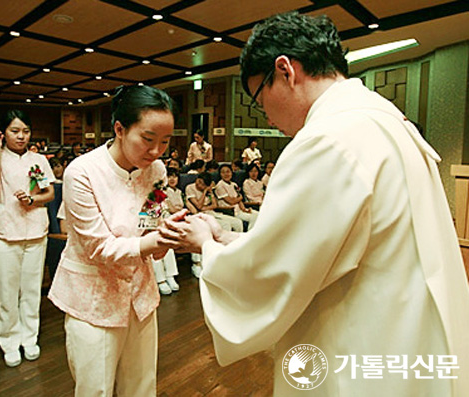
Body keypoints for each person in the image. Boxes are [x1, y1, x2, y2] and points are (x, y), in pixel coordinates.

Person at [161, 12, 469, 396]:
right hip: (404, 334)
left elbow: (276, 273)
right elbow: (321, 249)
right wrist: (225, 237)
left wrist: (205, 244)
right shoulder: (386, 120)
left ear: (285, 70)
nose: (269, 118)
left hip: (358, 343)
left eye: (259, 100)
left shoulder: (327, 140)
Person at [48, 85, 179, 396]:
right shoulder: (82, 173)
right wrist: (154, 241)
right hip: (93, 298)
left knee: (141, 385)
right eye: (148, 139)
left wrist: (167, 236)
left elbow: (150, 226)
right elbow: (99, 247)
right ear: (120, 129)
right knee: (96, 389)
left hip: (140, 297)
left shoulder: (157, 171)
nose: (156, 151)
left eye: (165, 142)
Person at [0, 109, 55, 368]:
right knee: (7, 291)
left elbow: (48, 193)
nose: (21, 136)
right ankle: (9, 341)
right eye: (15, 131)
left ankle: (29, 337)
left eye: (25, 131)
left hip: (35, 229)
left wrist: (33, 199)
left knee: (32, 289)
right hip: (4, 233)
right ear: (4, 132)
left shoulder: (38, 159)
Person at [153, 168, 182, 295]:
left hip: (161, 223)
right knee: (156, 241)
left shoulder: (162, 195)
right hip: (144, 227)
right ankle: (160, 280)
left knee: (167, 241)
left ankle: (170, 275)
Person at [214, 163, 258, 230]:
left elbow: (238, 199)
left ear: (232, 172)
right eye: (223, 172)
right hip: (230, 211)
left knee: (258, 215)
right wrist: (239, 198)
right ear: (220, 174)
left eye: (228, 171)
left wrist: (244, 209)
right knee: (253, 218)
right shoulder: (220, 185)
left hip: (239, 209)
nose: (226, 174)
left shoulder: (234, 184)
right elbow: (231, 201)